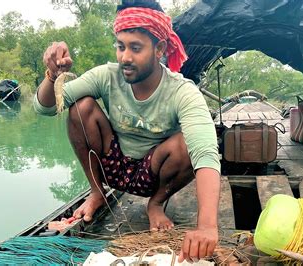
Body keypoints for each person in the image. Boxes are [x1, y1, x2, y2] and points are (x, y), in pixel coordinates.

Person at [34, 0, 220, 261]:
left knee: (188, 144)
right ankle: (97, 192)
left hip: (154, 174)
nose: (125, 57)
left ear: (160, 49)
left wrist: (207, 227)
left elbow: (206, 153)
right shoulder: (107, 76)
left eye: (136, 48)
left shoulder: (181, 91)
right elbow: (47, 108)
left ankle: (155, 204)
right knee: (81, 107)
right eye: (121, 47)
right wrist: (52, 76)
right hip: (114, 164)